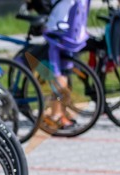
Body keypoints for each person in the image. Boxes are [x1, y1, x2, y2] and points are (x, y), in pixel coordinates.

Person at [42, 0, 90, 129]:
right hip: (66, 34)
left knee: (60, 75)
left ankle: (58, 115)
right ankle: (57, 115)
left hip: (62, 33)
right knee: (60, 75)